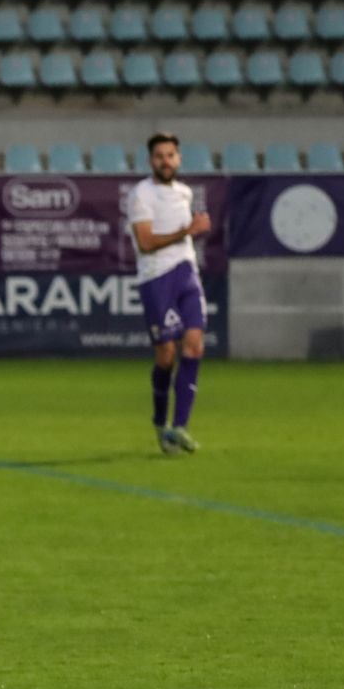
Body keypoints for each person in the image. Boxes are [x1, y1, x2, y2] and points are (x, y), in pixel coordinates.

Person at [128, 132, 212, 455]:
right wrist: (186, 231)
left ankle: (180, 427)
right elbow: (145, 243)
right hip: (156, 278)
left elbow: (184, 238)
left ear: (179, 158)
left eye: (171, 155)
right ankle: (161, 424)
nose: (166, 161)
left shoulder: (185, 193)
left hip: (186, 273)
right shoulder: (141, 195)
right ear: (151, 161)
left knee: (194, 346)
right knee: (166, 356)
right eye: (160, 156)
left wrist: (189, 235)